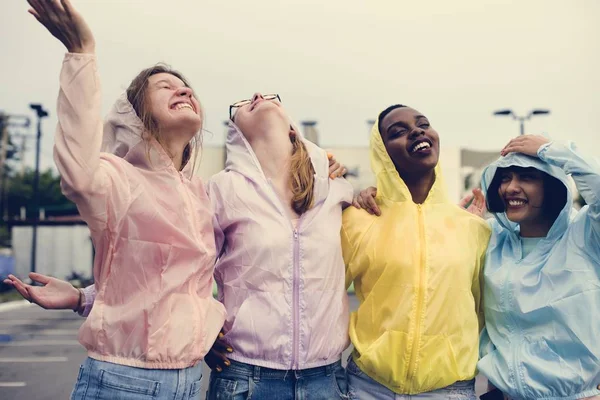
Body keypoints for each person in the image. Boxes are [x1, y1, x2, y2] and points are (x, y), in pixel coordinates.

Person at [7, 92, 352, 399]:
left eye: (270, 97)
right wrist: (86, 298)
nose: (258, 96)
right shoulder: (220, 191)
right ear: (236, 135)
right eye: (242, 103)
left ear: (293, 128)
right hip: (247, 378)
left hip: (327, 378)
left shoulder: (337, 190)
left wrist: (350, 182)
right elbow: (170, 269)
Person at [7, 0, 225, 398]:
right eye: (165, 87)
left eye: (186, 87)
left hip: (192, 381)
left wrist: (82, 297)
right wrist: (81, 54)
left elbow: (160, 287)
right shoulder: (116, 179)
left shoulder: (201, 193)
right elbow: (79, 168)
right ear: (137, 116)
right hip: (125, 382)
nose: (183, 89)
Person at [341, 104, 490, 399]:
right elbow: (320, 298)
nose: (417, 131)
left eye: (423, 124)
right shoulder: (358, 220)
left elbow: (489, 312)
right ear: (382, 152)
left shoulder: (473, 228)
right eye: (398, 131)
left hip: (450, 390)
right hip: (369, 387)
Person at [477, 135, 600, 400]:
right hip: (503, 395)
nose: (511, 187)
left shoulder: (586, 234)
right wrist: (376, 200)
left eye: (526, 177)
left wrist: (551, 151)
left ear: (553, 186)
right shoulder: (491, 236)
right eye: (505, 178)